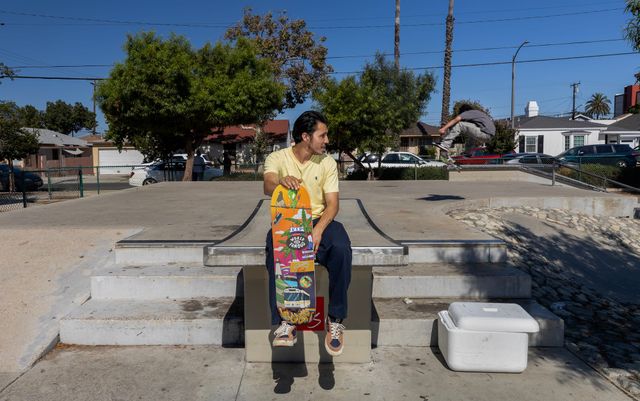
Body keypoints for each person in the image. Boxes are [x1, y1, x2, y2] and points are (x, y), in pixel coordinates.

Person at [263, 110, 352, 357]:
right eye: (322, 135)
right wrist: (281, 181)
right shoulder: (278, 157)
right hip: (289, 220)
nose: (326, 140)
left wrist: (318, 231)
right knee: (275, 248)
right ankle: (286, 322)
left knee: (341, 248)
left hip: (319, 219)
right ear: (305, 136)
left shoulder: (327, 163)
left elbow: (333, 204)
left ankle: (335, 320)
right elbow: (267, 184)